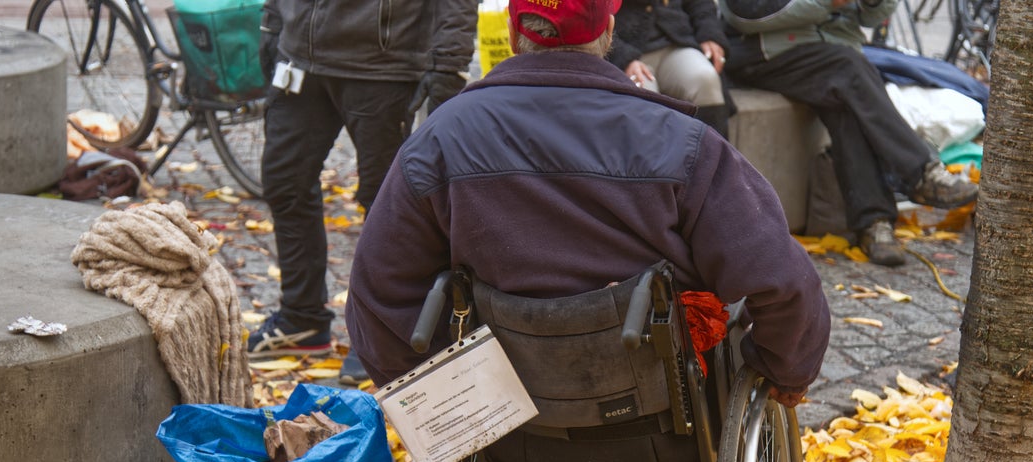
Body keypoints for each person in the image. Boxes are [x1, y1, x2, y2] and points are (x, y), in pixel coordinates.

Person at [346, 0, 831, 411]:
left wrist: (442, 404)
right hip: (664, 405)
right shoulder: (684, 143)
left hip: (504, 407)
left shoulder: (440, 138)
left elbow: (378, 290)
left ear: (515, 34)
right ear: (609, 31)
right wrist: (782, 374)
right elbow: (784, 283)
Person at [247, 0, 477, 384]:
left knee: (386, 204)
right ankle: (302, 319)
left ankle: (378, 334)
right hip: (300, 59)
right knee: (284, 181)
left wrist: (449, 64)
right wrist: (272, 22)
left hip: (383, 67)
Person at [719, 0, 979, 266]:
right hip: (762, 51)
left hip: (831, 50)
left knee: (844, 99)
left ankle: (874, 224)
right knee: (848, 70)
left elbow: (870, 18)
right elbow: (744, 12)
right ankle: (919, 174)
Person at [607, 0, 732, 138]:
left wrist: (709, 32)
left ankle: (712, 157)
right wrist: (623, 57)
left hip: (676, 41)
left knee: (706, 79)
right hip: (622, 51)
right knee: (644, 96)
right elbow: (592, 19)